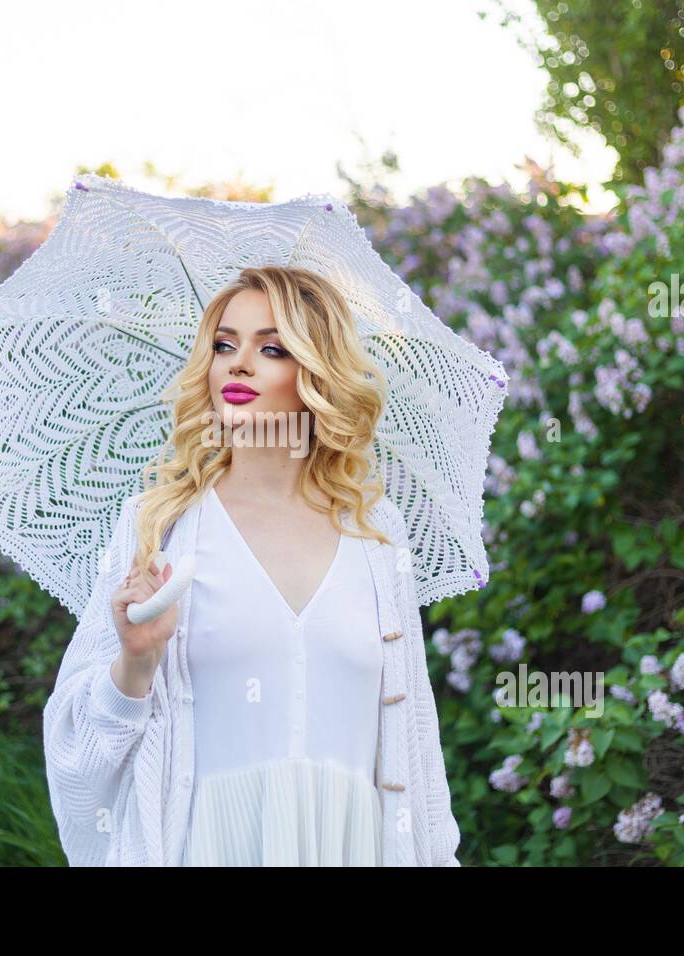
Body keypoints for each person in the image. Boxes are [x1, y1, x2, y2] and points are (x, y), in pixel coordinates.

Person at [43, 265, 462, 866]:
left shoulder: (376, 533)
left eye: (271, 348)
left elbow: (417, 747)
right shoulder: (160, 528)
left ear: (316, 372)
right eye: (223, 345)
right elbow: (76, 752)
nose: (237, 364)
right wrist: (135, 661)